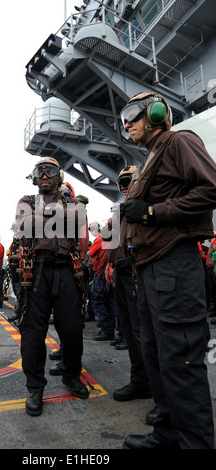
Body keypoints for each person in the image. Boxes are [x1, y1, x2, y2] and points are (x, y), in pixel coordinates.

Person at [118, 92, 216, 449]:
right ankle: (168, 433)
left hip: (175, 263)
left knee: (181, 356)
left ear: (157, 113)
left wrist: (151, 213)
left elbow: (211, 189)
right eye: (123, 117)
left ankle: (194, 443)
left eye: (133, 114)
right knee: (157, 353)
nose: (126, 122)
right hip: (150, 267)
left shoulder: (178, 141)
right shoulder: (149, 158)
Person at [14, 156, 89, 416]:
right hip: (35, 271)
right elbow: (23, 225)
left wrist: (42, 218)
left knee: (72, 328)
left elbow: (77, 226)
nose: (45, 176)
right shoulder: (26, 201)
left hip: (68, 270)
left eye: (50, 171)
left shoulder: (75, 203)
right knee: (32, 332)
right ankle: (35, 388)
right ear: (35, 178)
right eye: (40, 172)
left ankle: (71, 375)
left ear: (59, 176)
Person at [110, 166, 152, 405]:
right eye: (122, 183)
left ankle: (150, 384)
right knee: (129, 329)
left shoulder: (144, 206)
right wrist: (110, 263)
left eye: (129, 181)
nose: (125, 187)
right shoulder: (122, 212)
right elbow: (114, 243)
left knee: (142, 332)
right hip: (122, 271)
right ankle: (140, 381)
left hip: (138, 272)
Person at [88, 222, 118, 342]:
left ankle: (106, 329)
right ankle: (110, 329)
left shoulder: (100, 240)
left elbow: (90, 253)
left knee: (97, 301)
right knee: (110, 302)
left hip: (101, 275)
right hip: (109, 275)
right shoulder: (113, 240)